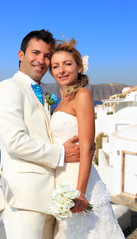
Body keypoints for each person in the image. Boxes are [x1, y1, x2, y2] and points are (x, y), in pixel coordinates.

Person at [0, 30, 81, 239]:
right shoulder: (8, 88)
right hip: (24, 200)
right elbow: (14, 141)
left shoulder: (42, 93)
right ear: (21, 55)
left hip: (51, 200)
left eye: (47, 55)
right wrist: (61, 153)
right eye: (35, 52)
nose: (41, 60)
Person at [50, 39, 125, 239]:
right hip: (61, 179)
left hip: (78, 181)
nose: (62, 70)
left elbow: (87, 147)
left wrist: (80, 192)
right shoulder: (61, 102)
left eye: (67, 64)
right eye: (55, 66)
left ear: (79, 67)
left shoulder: (82, 95)